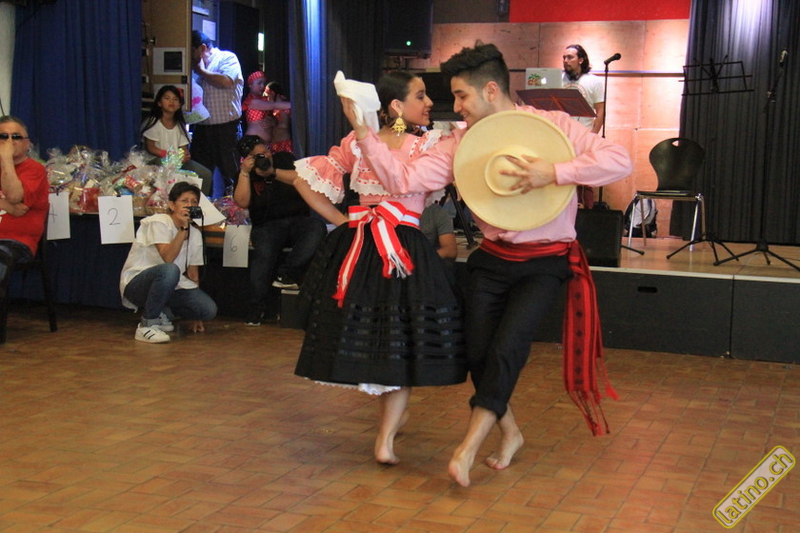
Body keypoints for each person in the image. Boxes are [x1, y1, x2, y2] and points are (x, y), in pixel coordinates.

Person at [344, 42, 632, 485]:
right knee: (478, 354)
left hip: (545, 261)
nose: (455, 106)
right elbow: (403, 179)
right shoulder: (460, 141)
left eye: (461, 96)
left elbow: (619, 161)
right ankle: (510, 432)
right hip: (492, 258)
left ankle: (467, 448)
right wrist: (363, 133)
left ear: (491, 90)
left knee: (507, 348)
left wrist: (554, 172)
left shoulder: (552, 126)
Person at [291, 71, 467, 465]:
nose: (428, 103)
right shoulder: (407, 144)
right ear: (396, 106)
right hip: (391, 249)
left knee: (389, 339)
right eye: (420, 96)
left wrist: (344, 221)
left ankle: (387, 434)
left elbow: (306, 184)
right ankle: (387, 434)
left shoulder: (398, 142)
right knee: (390, 340)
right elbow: (305, 181)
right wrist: (345, 220)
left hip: (377, 249)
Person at [233, 135, 326, 326]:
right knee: (264, 255)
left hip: (298, 220)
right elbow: (242, 202)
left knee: (317, 227)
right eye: (258, 155)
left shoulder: (283, 159)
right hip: (267, 225)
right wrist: (244, 173)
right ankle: (256, 308)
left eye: (266, 151)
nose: (265, 156)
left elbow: (302, 179)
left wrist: (272, 172)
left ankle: (287, 272)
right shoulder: (246, 173)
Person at [119, 181, 217, 343]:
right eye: (184, 201)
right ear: (172, 205)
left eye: (194, 202)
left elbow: (193, 274)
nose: (189, 206)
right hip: (138, 284)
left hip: (172, 285)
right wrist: (183, 229)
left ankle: (162, 312)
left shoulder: (195, 234)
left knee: (207, 309)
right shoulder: (158, 222)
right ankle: (147, 325)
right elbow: (168, 257)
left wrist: (196, 315)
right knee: (170, 270)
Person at [190, 31, 243, 197]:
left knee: (232, 176)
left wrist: (200, 71)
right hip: (201, 129)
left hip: (226, 129)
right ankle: (201, 209)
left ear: (202, 48)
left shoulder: (227, 58)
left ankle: (237, 210)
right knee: (199, 177)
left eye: (191, 50)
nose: (189, 55)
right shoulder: (193, 66)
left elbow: (226, 81)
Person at [0, 116, 49, 290]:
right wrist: (5, 205)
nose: (9, 142)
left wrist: (6, 159)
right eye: (3, 136)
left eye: (16, 136)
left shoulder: (35, 169)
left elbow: (14, 196)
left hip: (14, 241)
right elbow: (10, 203)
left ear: (27, 144)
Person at [141, 85, 213, 196]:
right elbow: (150, 147)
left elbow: (183, 147)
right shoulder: (154, 122)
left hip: (176, 160)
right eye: (167, 98)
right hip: (158, 159)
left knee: (205, 174)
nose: (171, 101)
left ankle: (201, 201)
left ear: (179, 105)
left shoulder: (180, 124)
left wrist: (184, 155)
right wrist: (168, 155)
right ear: (159, 103)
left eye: (175, 99)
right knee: (163, 167)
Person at [562, 44, 605, 134]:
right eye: (564, 57)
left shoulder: (594, 81)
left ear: (580, 60)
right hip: (561, 135)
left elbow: (600, 111)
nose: (565, 61)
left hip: (584, 135)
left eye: (570, 57)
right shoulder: (558, 79)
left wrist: (593, 136)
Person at [241, 71, 292, 146]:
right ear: (250, 85)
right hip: (254, 143)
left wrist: (272, 121)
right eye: (259, 83)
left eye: (264, 83)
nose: (262, 86)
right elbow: (274, 105)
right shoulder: (252, 102)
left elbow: (274, 118)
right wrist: (294, 104)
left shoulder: (263, 101)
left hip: (265, 143)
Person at [265, 81, 293, 154]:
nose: (267, 98)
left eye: (267, 95)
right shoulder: (274, 108)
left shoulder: (283, 106)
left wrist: (273, 123)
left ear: (273, 93)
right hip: (274, 144)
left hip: (283, 143)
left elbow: (284, 124)